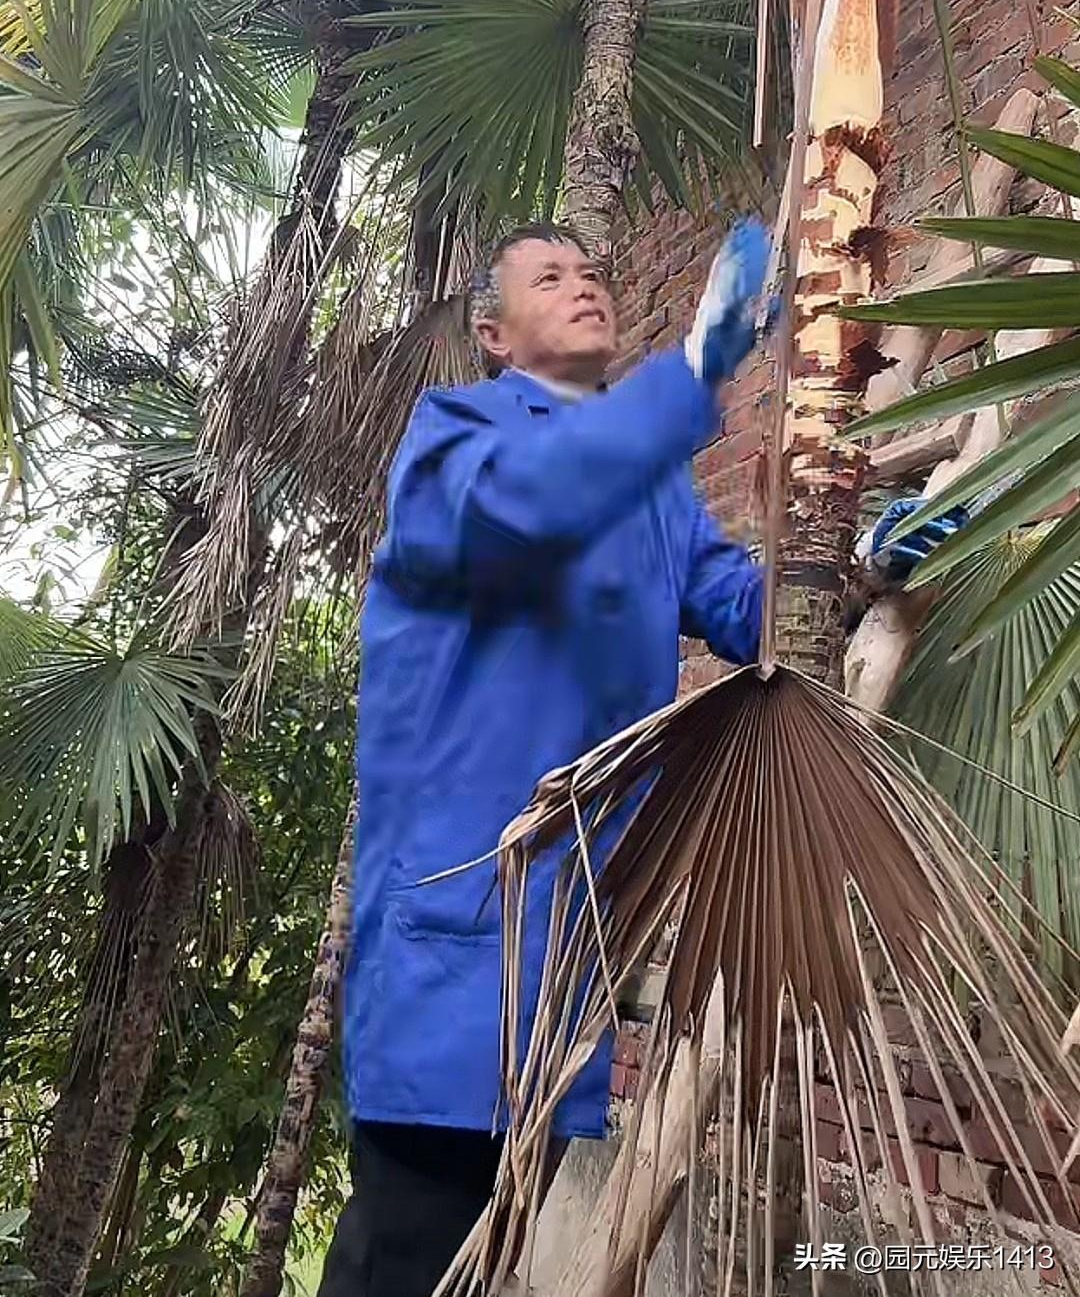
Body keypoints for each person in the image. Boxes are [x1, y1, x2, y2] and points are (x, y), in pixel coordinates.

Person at [316, 220, 966, 1297]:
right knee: (404, 1257)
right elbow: (544, 499)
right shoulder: (456, 440)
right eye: (549, 277)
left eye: (592, 271)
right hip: (456, 948)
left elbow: (748, 609)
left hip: (566, 960)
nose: (585, 286)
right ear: (493, 334)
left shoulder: (654, 489)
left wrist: (861, 564)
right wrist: (702, 359)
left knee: (485, 1267)